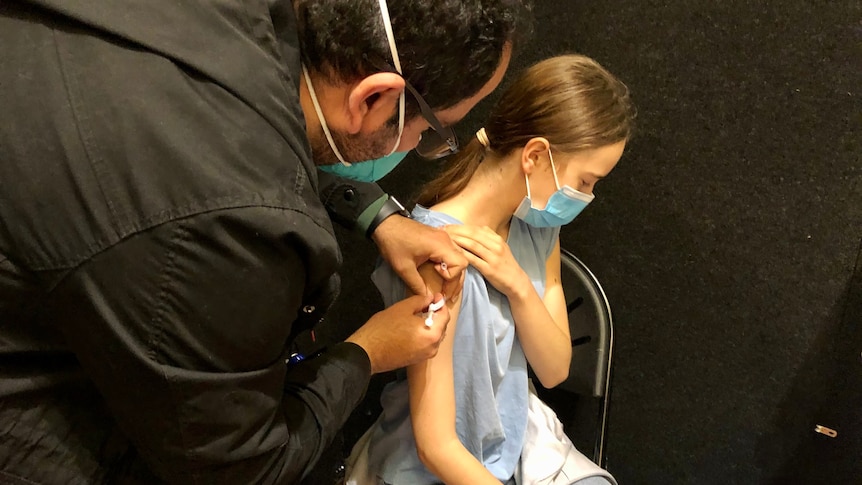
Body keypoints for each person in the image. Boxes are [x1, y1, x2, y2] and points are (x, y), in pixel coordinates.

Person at [0, 0, 530, 483]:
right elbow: (241, 468)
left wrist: (378, 217)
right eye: (431, 133)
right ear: (375, 97)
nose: (418, 148)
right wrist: (367, 352)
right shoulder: (227, 230)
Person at [345, 54, 635, 485]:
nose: (587, 197)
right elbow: (437, 447)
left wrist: (517, 284)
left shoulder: (540, 230)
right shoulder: (437, 254)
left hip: (515, 449)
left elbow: (554, 370)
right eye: (587, 181)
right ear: (535, 155)